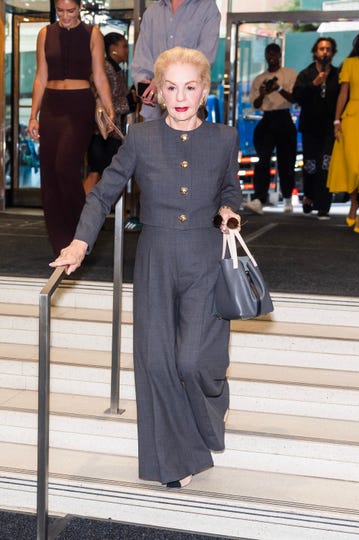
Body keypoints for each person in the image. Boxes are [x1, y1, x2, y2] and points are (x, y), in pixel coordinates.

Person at [50, 47, 242, 488]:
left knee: (193, 362)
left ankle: (213, 405)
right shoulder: (141, 138)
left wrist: (230, 211)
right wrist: (79, 243)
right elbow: (102, 194)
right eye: (170, 87)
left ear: (204, 90)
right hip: (155, 259)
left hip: (204, 258)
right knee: (157, 363)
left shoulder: (224, 138)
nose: (180, 96)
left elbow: (231, 187)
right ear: (156, 91)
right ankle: (177, 461)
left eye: (189, 87)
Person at [28, 0, 114, 256]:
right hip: (51, 107)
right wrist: (33, 115)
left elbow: (99, 74)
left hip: (79, 107)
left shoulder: (93, 34)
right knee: (49, 174)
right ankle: (61, 241)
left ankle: (83, 231)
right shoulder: (45, 33)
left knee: (65, 166)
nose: (65, 16)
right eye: (60, 11)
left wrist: (109, 108)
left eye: (71, 11)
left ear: (80, 8)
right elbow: (41, 76)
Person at [131, 0, 220, 121]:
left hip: (188, 109)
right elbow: (141, 59)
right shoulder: (152, 12)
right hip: (154, 111)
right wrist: (145, 86)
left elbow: (204, 59)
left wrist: (162, 82)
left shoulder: (207, 8)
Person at [243, 43, 297, 215]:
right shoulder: (259, 79)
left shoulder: (289, 74)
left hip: (284, 117)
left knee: (286, 161)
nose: (272, 56)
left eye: (275, 53)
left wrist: (278, 88)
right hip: (267, 119)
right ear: (265, 56)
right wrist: (262, 94)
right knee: (263, 159)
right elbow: (256, 104)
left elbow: (294, 98)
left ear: (280, 55)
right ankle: (259, 199)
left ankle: (288, 198)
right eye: (269, 54)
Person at [83, 32, 136, 195]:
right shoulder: (106, 68)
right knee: (96, 173)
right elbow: (104, 103)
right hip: (102, 132)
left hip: (109, 132)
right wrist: (130, 102)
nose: (127, 50)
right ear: (113, 49)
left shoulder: (115, 68)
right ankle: (78, 212)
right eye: (124, 46)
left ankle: (83, 212)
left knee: (99, 173)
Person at [293, 37, 339, 220]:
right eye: (321, 49)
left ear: (333, 53)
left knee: (325, 165)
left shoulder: (337, 74)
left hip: (329, 129)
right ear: (315, 52)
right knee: (311, 166)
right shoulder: (306, 74)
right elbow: (297, 97)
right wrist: (314, 84)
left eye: (328, 49)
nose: (325, 52)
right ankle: (309, 198)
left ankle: (323, 205)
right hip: (310, 128)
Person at [327, 33, 359, 234]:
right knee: (353, 167)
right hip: (353, 118)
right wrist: (337, 120)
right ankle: (354, 204)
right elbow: (343, 93)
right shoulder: (349, 63)